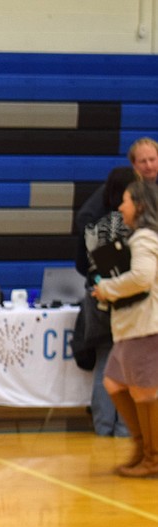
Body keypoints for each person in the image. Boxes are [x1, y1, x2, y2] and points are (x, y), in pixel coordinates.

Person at [92, 179, 158, 478]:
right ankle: (142, 447)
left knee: (146, 393)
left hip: (144, 326)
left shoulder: (144, 237)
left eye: (126, 201)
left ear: (140, 205)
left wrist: (107, 288)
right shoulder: (141, 236)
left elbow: (143, 277)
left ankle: (153, 458)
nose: (120, 207)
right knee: (114, 383)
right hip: (132, 328)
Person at [76, 166, 137, 437]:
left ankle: (102, 426)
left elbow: (80, 264)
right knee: (129, 367)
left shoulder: (92, 224)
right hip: (127, 302)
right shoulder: (132, 226)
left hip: (97, 301)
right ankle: (125, 428)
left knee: (104, 364)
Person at [74, 137, 158, 261]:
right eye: (143, 161)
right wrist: (106, 250)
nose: (149, 166)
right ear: (133, 164)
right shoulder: (118, 186)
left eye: (152, 160)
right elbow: (84, 218)